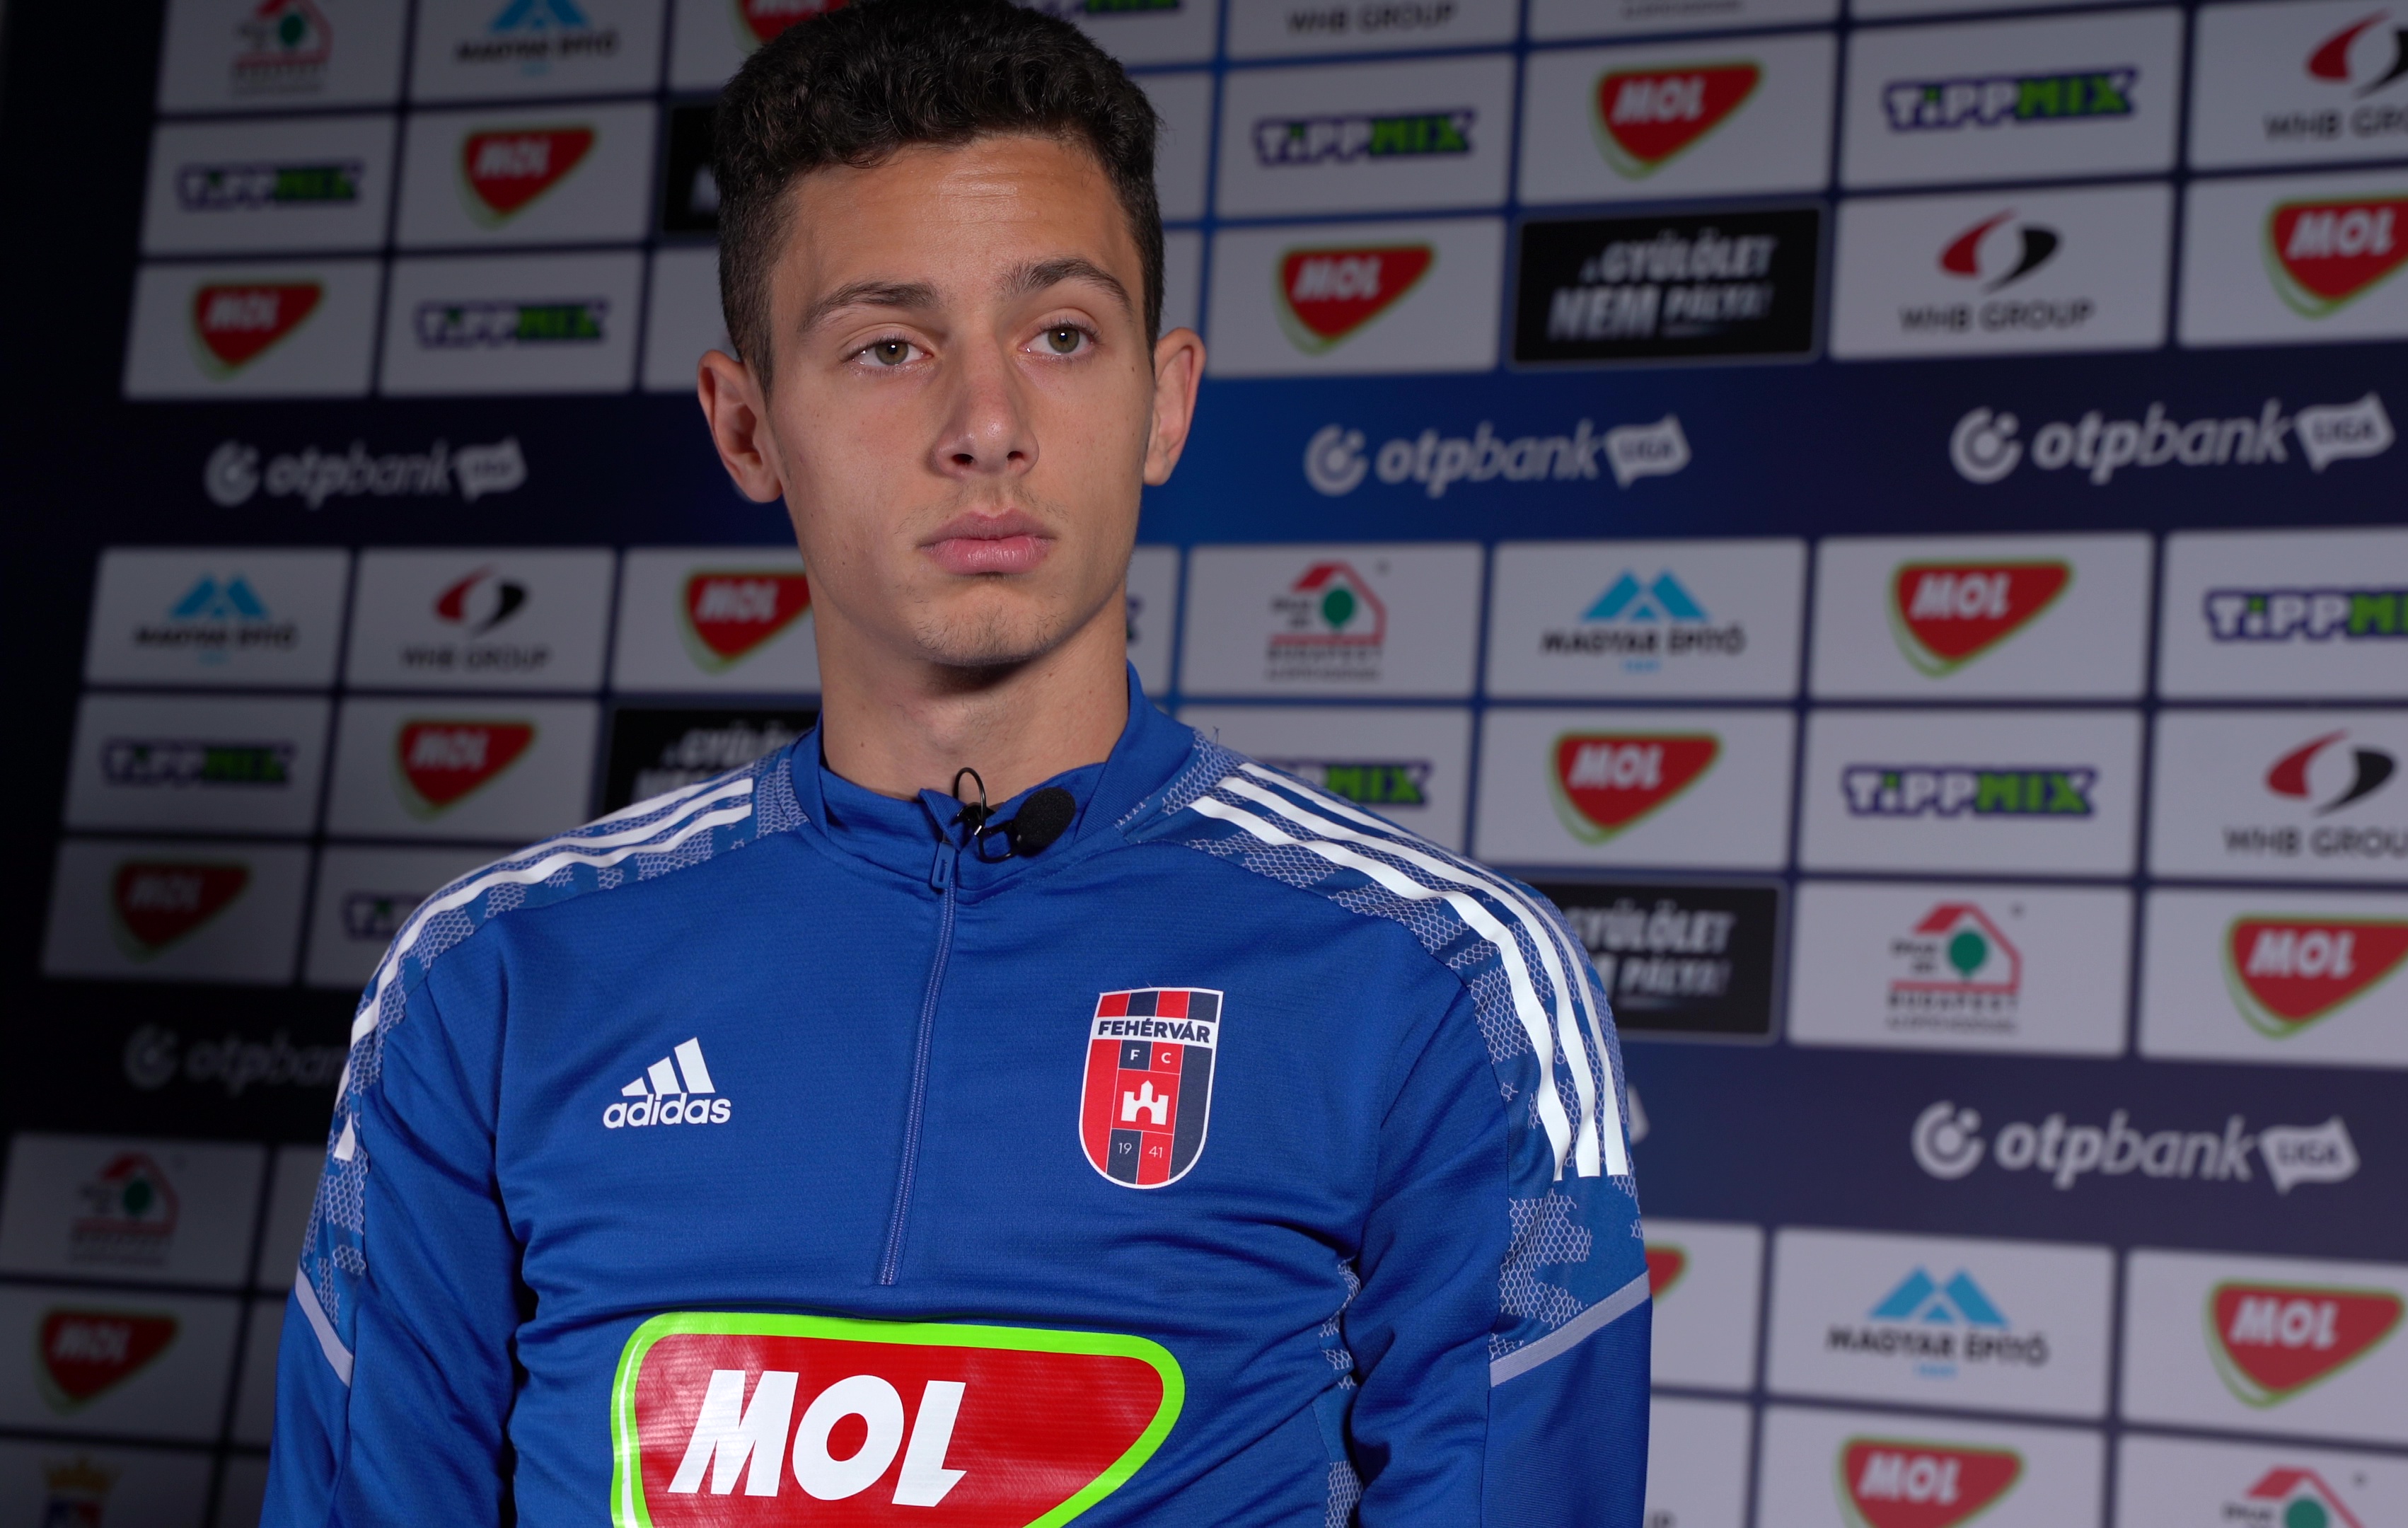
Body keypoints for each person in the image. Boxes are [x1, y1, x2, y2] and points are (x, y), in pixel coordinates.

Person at [262, 1, 1648, 1522]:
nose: (987, 425)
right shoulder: (494, 979)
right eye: (887, 347)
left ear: (1165, 402)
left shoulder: (1437, 979)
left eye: (1062, 336)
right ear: (748, 428)